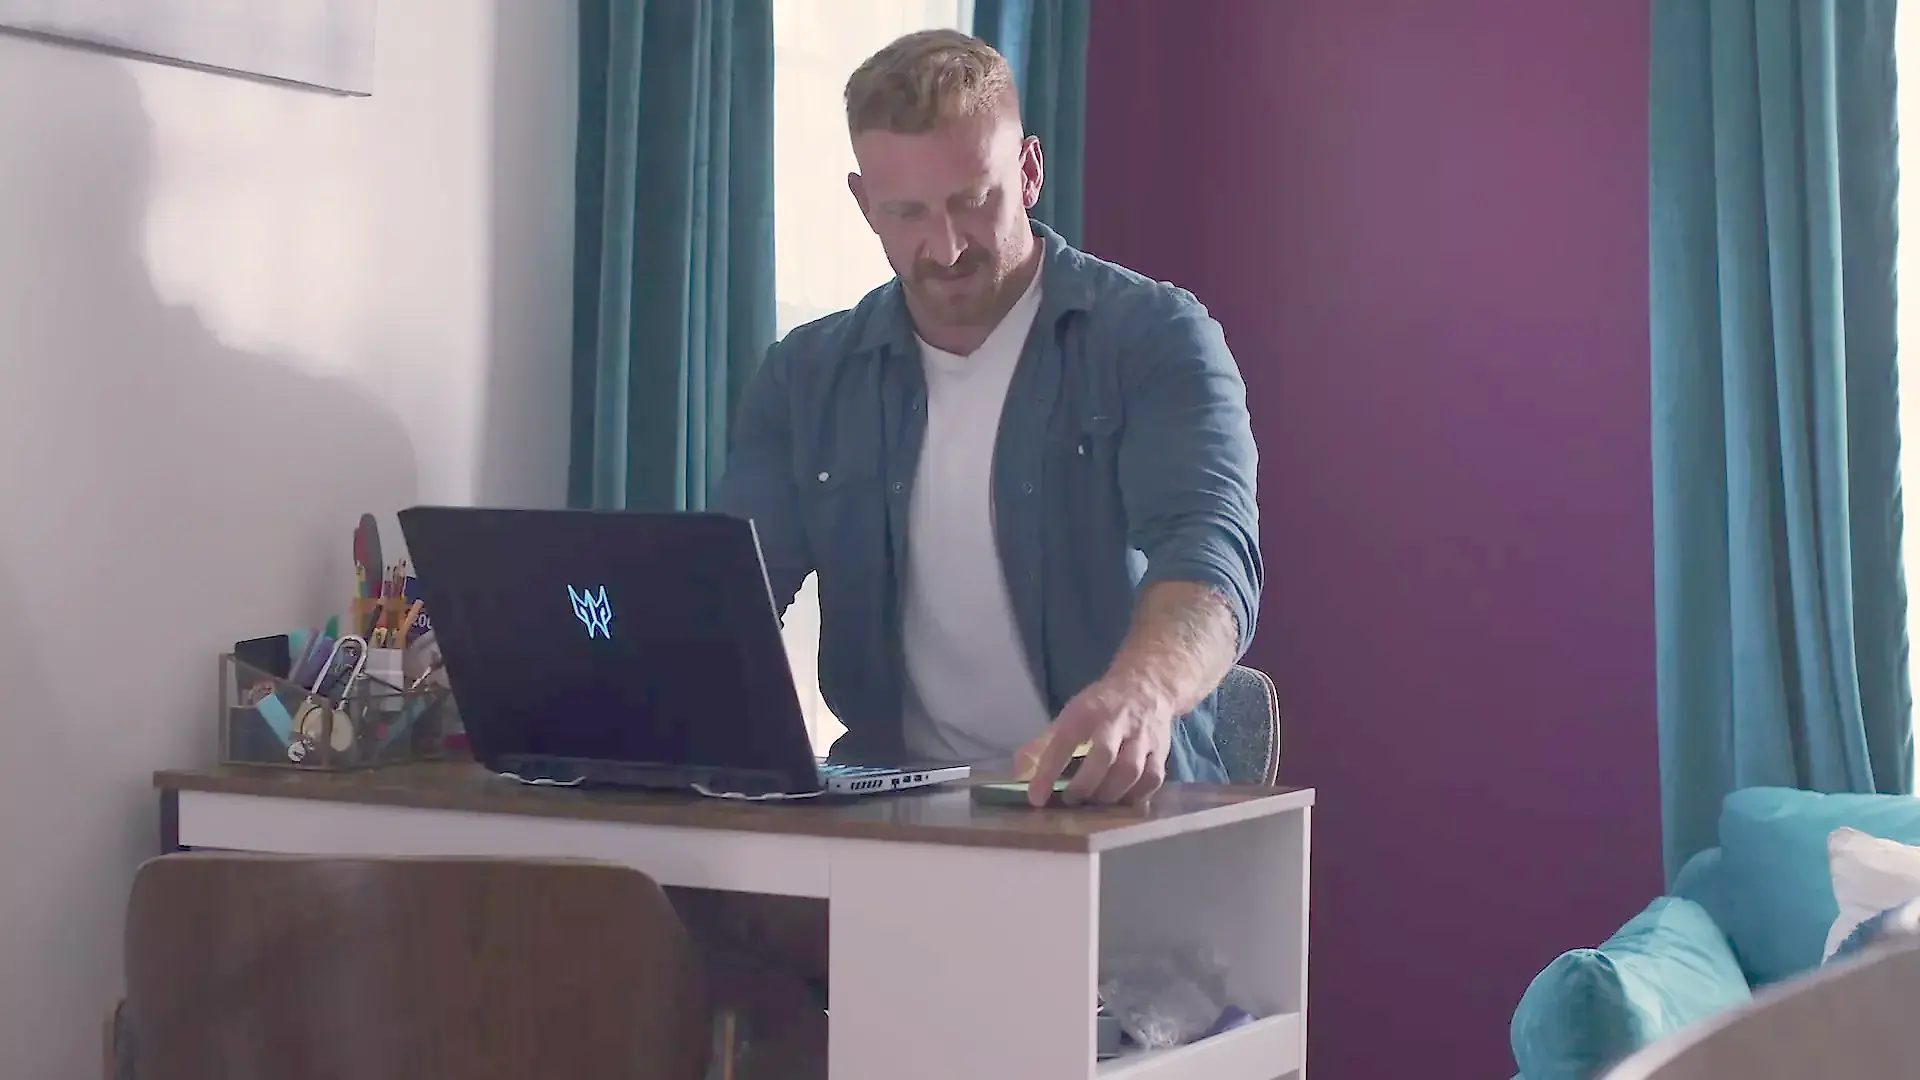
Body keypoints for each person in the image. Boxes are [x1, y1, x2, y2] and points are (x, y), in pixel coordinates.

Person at [672, 27, 1262, 1079]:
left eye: (973, 201)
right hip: (892, 826)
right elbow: (731, 594)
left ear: (1027, 170)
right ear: (863, 203)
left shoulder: (1154, 338)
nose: (944, 248)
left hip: (1110, 827)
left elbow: (1210, 559)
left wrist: (1141, 694)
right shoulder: (807, 376)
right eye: (907, 214)